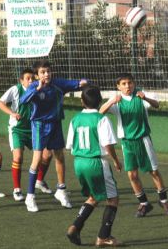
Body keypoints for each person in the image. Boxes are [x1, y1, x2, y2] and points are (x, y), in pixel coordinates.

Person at [100, 73, 168, 217]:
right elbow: (100, 112)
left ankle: (164, 201)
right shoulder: (117, 100)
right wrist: (111, 102)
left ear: (134, 83)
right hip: (127, 143)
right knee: (132, 174)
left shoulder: (141, 95)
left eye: (130, 83)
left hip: (143, 140)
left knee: (153, 171)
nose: (127, 86)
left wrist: (145, 97)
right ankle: (144, 204)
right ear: (118, 86)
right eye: (124, 83)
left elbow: (157, 105)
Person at [19, 60, 89, 212]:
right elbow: (22, 101)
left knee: (60, 157)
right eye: (43, 72)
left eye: (48, 71)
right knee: (37, 159)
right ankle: (30, 196)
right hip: (39, 125)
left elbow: (74, 84)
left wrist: (83, 82)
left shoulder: (58, 84)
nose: (46, 74)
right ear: (37, 76)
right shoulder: (33, 86)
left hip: (55, 124)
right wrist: (36, 90)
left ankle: (61, 190)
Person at [66, 85, 124, 247]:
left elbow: (70, 145)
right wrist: (116, 160)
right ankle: (103, 237)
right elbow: (108, 145)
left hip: (79, 162)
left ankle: (75, 227)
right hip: (96, 162)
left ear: (82, 101)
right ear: (100, 101)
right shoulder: (101, 119)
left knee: (93, 197)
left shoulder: (75, 118)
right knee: (112, 199)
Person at [0, 69, 54, 201]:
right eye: (27, 79)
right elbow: (0, 103)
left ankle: (39, 181)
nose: (31, 81)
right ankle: (17, 189)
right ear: (21, 81)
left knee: (48, 155)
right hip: (17, 130)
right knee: (18, 157)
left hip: (34, 129)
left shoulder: (39, 89)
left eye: (33, 78)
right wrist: (12, 113)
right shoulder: (15, 90)